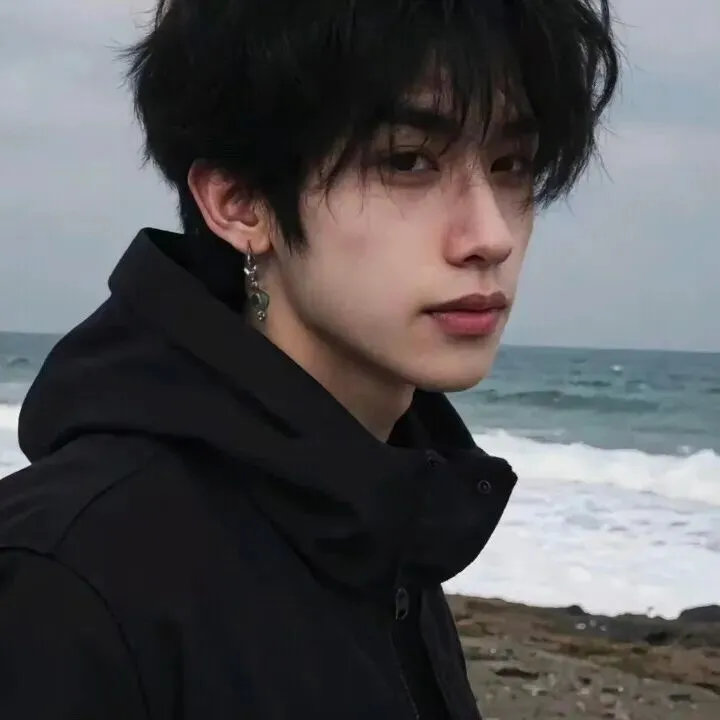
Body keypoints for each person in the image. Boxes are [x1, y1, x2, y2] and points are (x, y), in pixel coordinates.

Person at [0, 1, 620, 718]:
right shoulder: (69, 578)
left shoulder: (388, 513)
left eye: (511, 165)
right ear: (241, 203)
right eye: (408, 161)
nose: (491, 236)